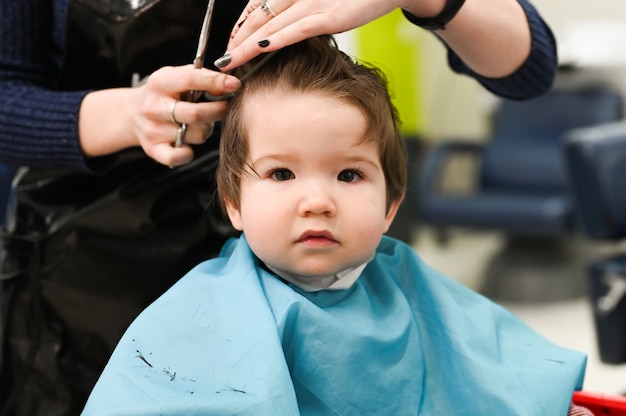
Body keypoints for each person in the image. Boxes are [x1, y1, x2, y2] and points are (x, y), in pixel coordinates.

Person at [0, 0, 558, 414]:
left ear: (393, 202)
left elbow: (530, 65)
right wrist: (129, 113)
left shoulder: (406, 285)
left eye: (348, 174)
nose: (317, 201)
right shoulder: (197, 310)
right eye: (285, 173)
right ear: (233, 201)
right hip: (83, 255)